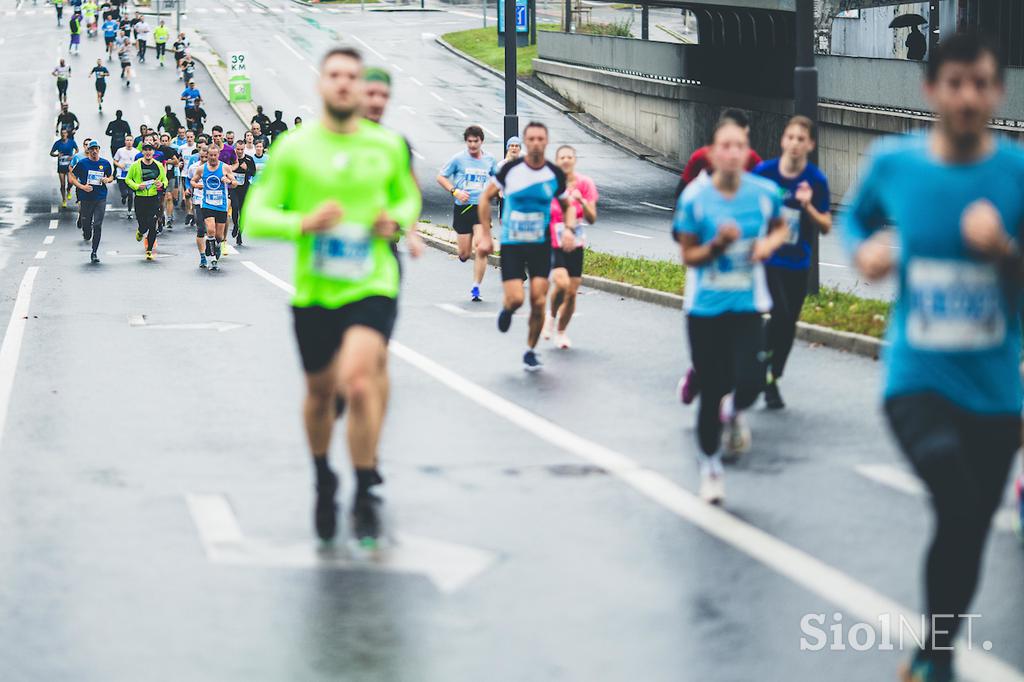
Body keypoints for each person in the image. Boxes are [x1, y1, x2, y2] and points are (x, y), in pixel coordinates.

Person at [844, 32, 1024, 682]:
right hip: (917, 379)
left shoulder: (1016, 174)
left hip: (997, 389)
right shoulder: (896, 164)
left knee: (970, 528)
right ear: (932, 91)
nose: (969, 96)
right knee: (954, 495)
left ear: (997, 90)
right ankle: (939, 662)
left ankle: (932, 649)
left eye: (982, 83)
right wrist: (864, 251)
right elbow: (856, 219)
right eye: (956, 83)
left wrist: (1004, 248)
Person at [242, 47, 421, 545]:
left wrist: (398, 221)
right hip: (316, 291)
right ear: (321, 84)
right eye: (335, 75)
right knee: (321, 394)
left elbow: (407, 196)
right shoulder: (295, 148)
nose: (344, 84)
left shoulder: (385, 146)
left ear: (361, 87)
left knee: (359, 382)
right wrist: (302, 222)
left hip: (373, 283)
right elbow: (254, 215)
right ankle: (325, 475)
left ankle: (364, 484)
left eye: (352, 77)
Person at [673, 117, 788, 505]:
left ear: (747, 149)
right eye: (725, 146)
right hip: (704, 309)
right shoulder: (695, 198)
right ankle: (711, 467)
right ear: (710, 152)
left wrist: (768, 245)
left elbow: (780, 226)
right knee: (713, 386)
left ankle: (734, 410)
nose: (733, 153)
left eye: (739, 145)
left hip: (748, 304)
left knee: (752, 381)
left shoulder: (764, 192)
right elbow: (688, 255)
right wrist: (718, 247)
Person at [477, 123, 576, 372]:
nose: (535, 143)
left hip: (541, 245)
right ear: (525, 141)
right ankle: (508, 309)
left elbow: (568, 206)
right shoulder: (510, 169)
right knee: (517, 298)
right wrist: (487, 236)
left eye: (540, 138)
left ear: (546, 141)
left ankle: (530, 351)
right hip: (512, 244)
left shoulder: (553, 173)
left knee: (539, 302)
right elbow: (484, 198)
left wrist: (568, 231)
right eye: (530, 138)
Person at [753, 116, 831, 409]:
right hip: (769, 260)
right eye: (791, 137)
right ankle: (757, 358)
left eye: (802, 139)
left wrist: (808, 205)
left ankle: (773, 378)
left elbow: (825, 225)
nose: (796, 143)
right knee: (780, 314)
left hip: (797, 263)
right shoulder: (765, 173)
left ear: (810, 144)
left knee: (788, 326)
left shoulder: (815, 180)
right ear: (783, 140)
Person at [543, 145, 598, 350]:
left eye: (569, 157)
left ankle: (561, 332)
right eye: (562, 157)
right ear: (557, 161)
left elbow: (592, 218)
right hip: (552, 241)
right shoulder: (550, 184)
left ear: (574, 160)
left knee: (572, 291)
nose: (565, 160)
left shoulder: (585, 183)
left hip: (575, 241)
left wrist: (582, 201)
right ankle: (551, 315)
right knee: (562, 283)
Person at [437, 125, 497, 302]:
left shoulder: (490, 160)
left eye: (475, 141)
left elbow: (499, 178)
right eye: (469, 141)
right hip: (463, 208)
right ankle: (465, 251)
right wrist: (455, 191)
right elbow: (440, 177)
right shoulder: (458, 159)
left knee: (482, 247)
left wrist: (496, 191)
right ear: (466, 141)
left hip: (481, 208)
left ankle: (476, 287)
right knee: (464, 254)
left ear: (481, 141)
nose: (472, 145)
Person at [675, 108, 762, 198]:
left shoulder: (752, 158)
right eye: (726, 145)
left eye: (741, 144)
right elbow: (682, 193)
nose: (734, 154)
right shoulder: (701, 156)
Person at [190, 142, 236, 270]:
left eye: (215, 155)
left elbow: (235, 182)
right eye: (210, 155)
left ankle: (216, 246)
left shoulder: (225, 167)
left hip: (221, 204)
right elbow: (193, 180)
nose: (213, 157)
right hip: (207, 204)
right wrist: (197, 185)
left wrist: (229, 181)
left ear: (218, 155)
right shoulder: (201, 168)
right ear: (207, 155)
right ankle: (212, 259)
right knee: (210, 230)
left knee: (219, 236)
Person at [68, 140, 114, 264]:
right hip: (86, 198)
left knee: (97, 225)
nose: (94, 151)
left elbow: (111, 176)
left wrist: (107, 180)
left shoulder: (105, 163)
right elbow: (72, 177)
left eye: (96, 149)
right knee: (86, 223)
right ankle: (86, 231)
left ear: (99, 149)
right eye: (91, 149)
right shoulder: (83, 163)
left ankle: (94, 252)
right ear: (88, 150)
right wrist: (82, 187)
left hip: (100, 198)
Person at [125, 142, 167, 260]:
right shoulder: (135, 165)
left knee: (152, 223)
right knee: (143, 225)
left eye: (150, 150)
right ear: (142, 152)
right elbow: (128, 179)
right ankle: (140, 231)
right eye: (146, 150)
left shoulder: (158, 165)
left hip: (153, 198)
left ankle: (149, 250)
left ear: (153, 152)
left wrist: (162, 184)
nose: (148, 152)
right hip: (140, 198)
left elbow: (165, 180)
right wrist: (137, 186)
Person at [229, 139, 255, 246]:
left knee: (243, 211)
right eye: (238, 149)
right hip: (234, 188)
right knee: (234, 207)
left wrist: (246, 169)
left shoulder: (249, 159)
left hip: (244, 188)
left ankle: (240, 233)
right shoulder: (232, 159)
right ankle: (235, 225)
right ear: (235, 149)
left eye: (241, 149)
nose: (239, 151)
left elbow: (253, 173)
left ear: (244, 149)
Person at [50, 130, 79, 208]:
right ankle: (64, 200)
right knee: (62, 184)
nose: (63, 135)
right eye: (62, 133)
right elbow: (51, 153)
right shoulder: (57, 143)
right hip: (61, 166)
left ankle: (68, 190)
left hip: (69, 166)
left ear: (67, 134)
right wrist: (57, 155)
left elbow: (77, 150)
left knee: (70, 182)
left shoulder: (71, 142)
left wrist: (73, 156)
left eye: (65, 133)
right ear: (60, 134)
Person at [113, 134, 137, 218]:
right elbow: (115, 161)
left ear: (133, 142)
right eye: (127, 140)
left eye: (130, 140)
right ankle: (123, 197)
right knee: (124, 193)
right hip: (121, 175)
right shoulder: (120, 150)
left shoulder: (136, 151)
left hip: (131, 175)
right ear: (125, 141)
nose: (129, 142)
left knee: (130, 194)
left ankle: (129, 211)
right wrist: (119, 166)